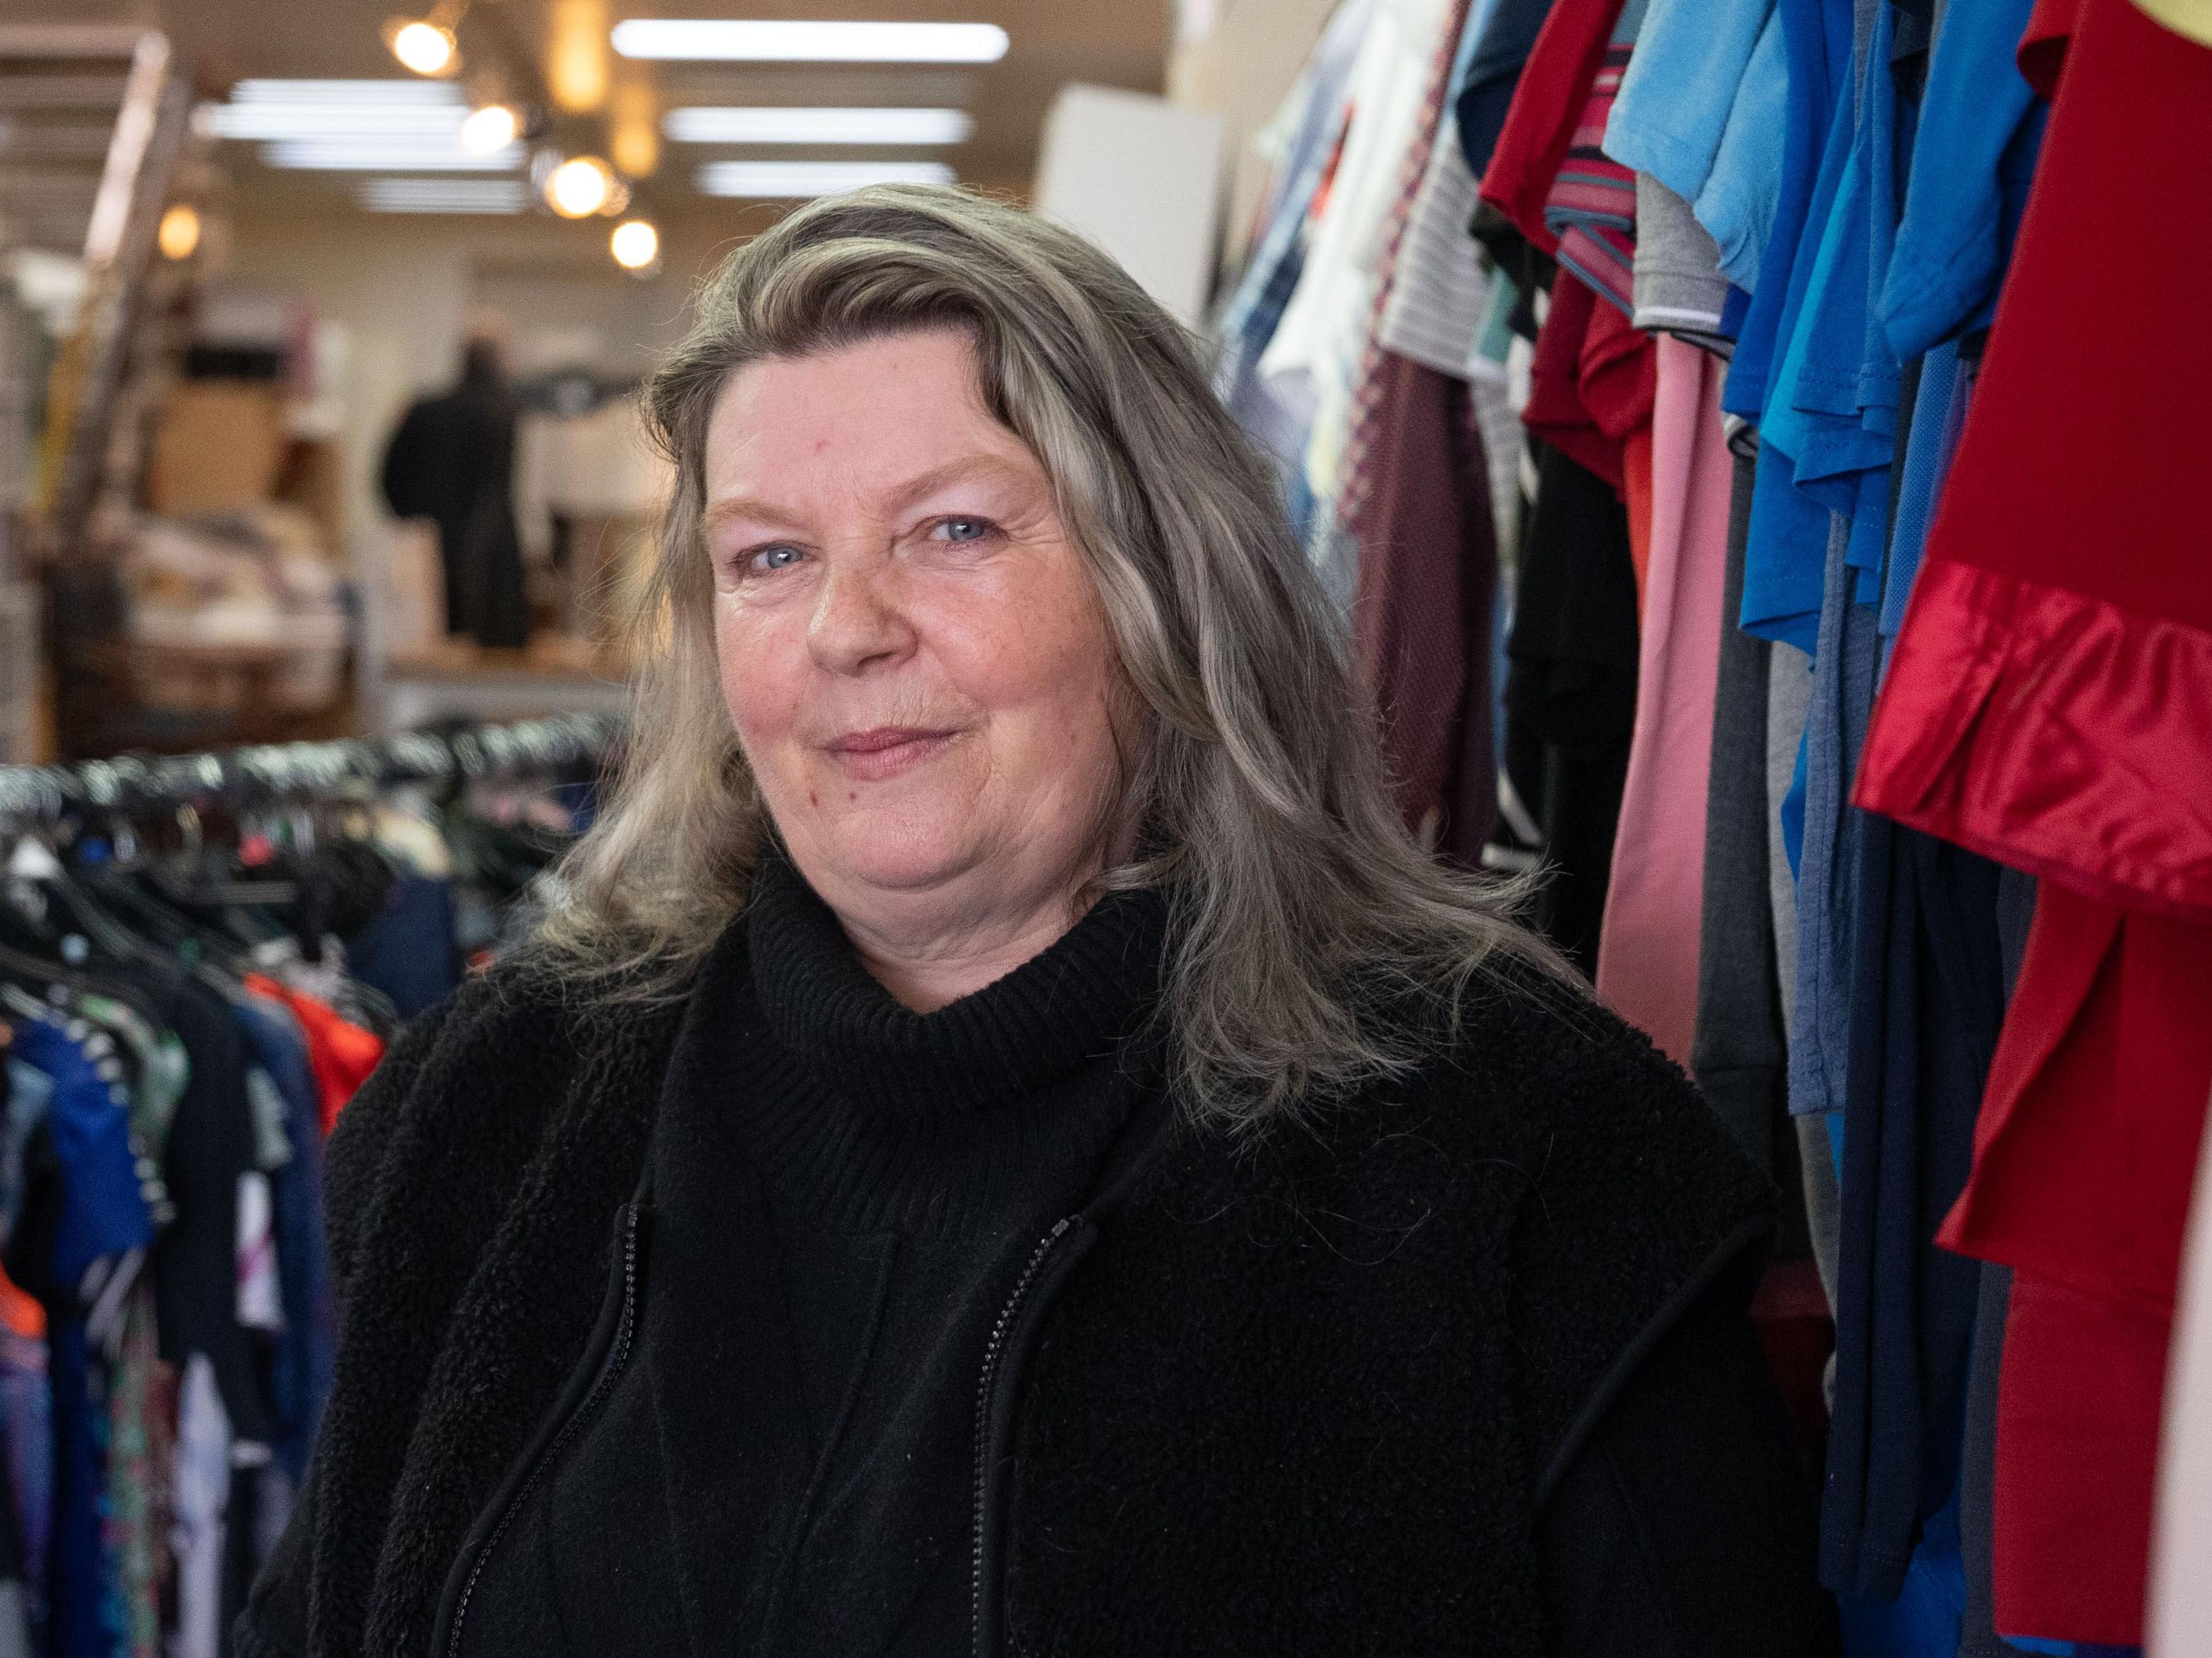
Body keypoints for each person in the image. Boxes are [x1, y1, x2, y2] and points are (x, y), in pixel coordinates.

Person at [239, 186, 1834, 1658]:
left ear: (1170, 586)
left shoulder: (1514, 1147)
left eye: (956, 531)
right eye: (772, 558)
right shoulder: (492, 1112)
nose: (850, 630)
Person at [378, 332, 530, 649]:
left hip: (432, 552)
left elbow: (389, 479)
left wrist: (416, 528)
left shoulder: (423, 410)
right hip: (492, 559)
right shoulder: (509, 413)